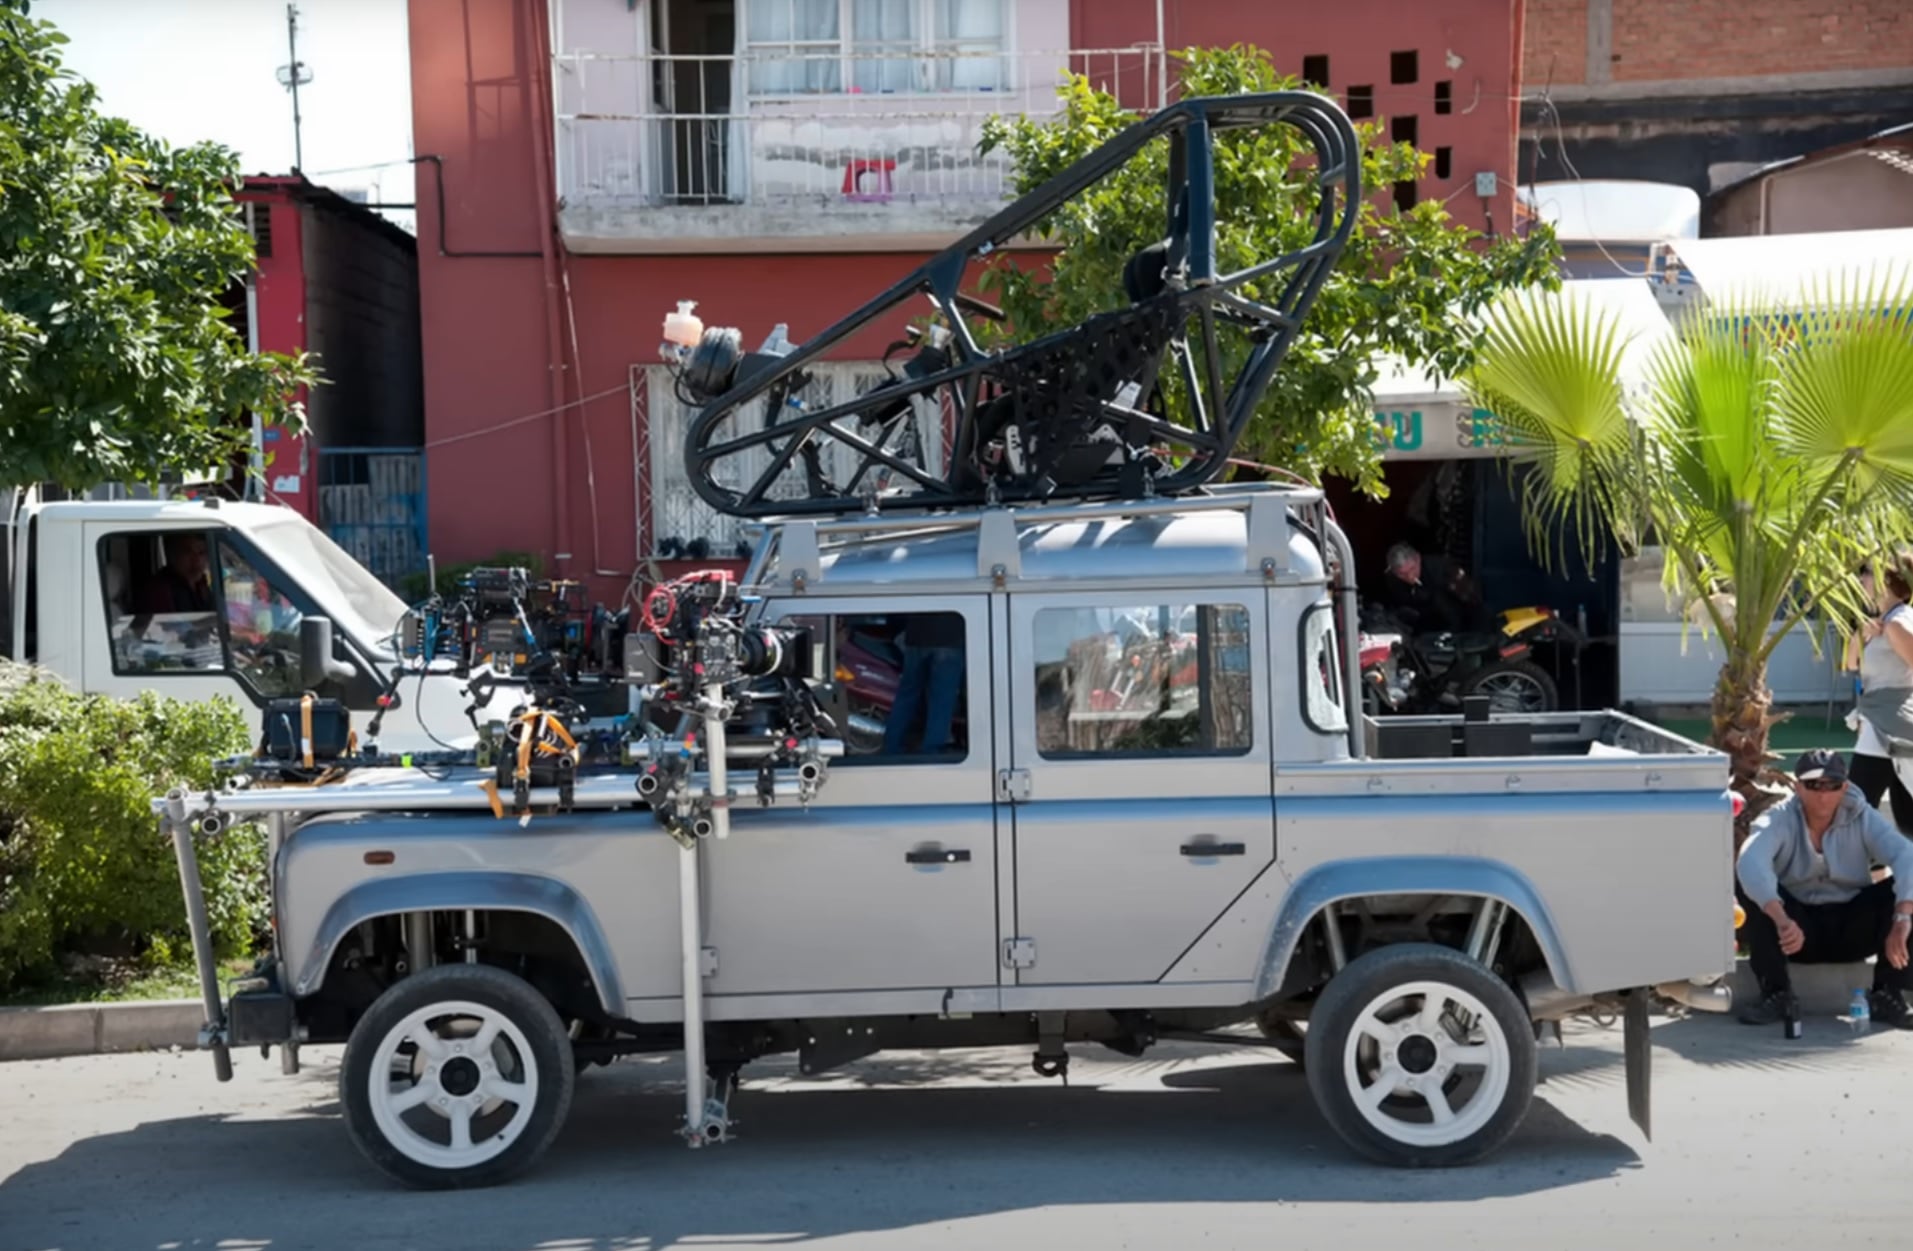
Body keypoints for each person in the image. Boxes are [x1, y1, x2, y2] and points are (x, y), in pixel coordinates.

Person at [1734, 748, 1913, 1028]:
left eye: (1832, 785)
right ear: (1798, 788)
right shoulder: (1780, 817)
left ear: (1845, 787)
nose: (1823, 794)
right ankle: (1776, 993)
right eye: (1813, 785)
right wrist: (1781, 919)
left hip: (1852, 928)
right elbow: (1750, 861)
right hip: (1794, 932)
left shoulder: (1863, 815)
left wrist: (1902, 918)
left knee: (1906, 890)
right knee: (1749, 885)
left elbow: (1905, 855)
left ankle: (1888, 994)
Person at [1844, 553, 1913, 833]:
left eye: (1868, 572)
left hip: (1892, 725)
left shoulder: (1898, 623)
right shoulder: (1882, 622)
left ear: (1887, 580)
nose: (1862, 578)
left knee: (1855, 808)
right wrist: (1861, 633)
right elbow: (1851, 664)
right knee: (1904, 817)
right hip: (1880, 722)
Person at [881, 612, 965, 757]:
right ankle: (932, 751)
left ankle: (891, 746)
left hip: (916, 636)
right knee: (941, 701)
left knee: (907, 695)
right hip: (950, 637)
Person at [1378, 542, 1479, 635]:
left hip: (1457, 628)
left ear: (1418, 558)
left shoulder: (1444, 569)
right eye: (1402, 574)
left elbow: (1472, 599)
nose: (1410, 577)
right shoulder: (1392, 579)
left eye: (1413, 569)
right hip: (1421, 632)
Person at [138, 533, 214, 615]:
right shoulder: (158, 591)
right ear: (171, 554)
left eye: (201, 552)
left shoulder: (202, 584)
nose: (197, 560)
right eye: (187, 552)